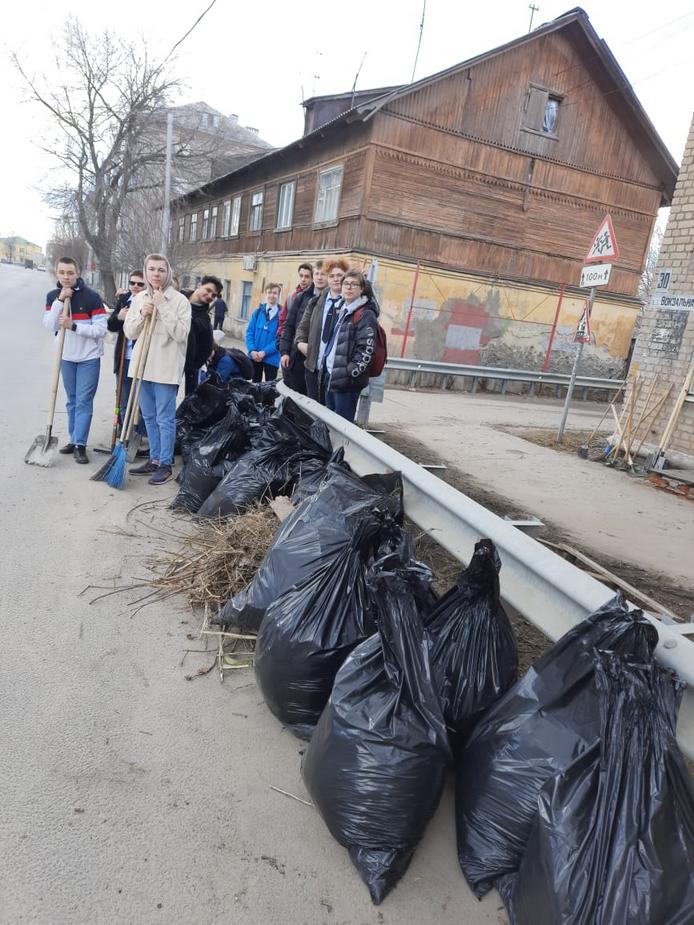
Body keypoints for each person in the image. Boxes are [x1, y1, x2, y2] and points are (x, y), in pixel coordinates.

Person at [124, 254, 191, 485]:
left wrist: (163, 306)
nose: (156, 274)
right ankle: (153, 458)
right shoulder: (140, 298)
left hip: (165, 368)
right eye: (151, 269)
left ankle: (165, 463)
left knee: (165, 418)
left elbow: (182, 334)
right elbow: (129, 332)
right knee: (149, 417)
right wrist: (143, 314)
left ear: (167, 272)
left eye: (161, 270)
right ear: (146, 271)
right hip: (142, 366)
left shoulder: (180, 301)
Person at [43, 256, 107, 464]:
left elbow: (100, 330)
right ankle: (73, 439)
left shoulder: (92, 298)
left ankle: (80, 444)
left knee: (83, 401)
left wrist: (74, 326)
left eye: (70, 273)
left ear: (78, 273)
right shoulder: (53, 296)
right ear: (56, 273)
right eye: (62, 272)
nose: (66, 277)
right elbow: (50, 325)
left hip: (89, 358)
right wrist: (59, 301)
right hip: (66, 357)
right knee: (72, 401)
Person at [321, 269, 378, 422]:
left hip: (347, 383)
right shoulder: (342, 309)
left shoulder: (366, 314)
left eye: (354, 284)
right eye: (346, 283)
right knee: (329, 425)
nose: (349, 287)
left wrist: (348, 374)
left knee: (342, 427)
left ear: (362, 289)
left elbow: (366, 351)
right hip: (332, 376)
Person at [296, 258, 349, 401]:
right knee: (313, 412)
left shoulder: (350, 304)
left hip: (335, 371)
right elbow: (302, 328)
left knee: (330, 414)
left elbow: (372, 306)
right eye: (331, 276)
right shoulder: (316, 301)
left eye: (340, 275)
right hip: (314, 367)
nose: (336, 279)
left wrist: (364, 283)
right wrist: (301, 343)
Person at [107, 270, 147, 433]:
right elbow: (111, 326)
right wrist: (119, 317)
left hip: (142, 358)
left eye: (140, 283)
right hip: (124, 357)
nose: (135, 286)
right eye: (132, 283)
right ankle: (124, 432)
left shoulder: (148, 302)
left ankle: (141, 434)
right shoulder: (123, 300)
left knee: (143, 400)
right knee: (123, 399)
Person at [279, 260, 326, 395]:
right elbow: (288, 325)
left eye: (323, 274)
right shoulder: (301, 297)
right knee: (292, 400)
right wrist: (284, 352)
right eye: (317, 273)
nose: (319, 277)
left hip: (317, 362)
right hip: (296, 358)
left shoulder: (333, 300)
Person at [184, 276, 220, 395]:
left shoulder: (204, 319)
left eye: (214, 295)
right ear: (199, 285)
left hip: (191, 366)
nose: (210, 296)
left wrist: (194, 366)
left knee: (190, 399)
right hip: (170, 360)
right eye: (208, 290)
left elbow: (206, 347)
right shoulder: (179, 299)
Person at [246, 283, 281, 382]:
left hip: (271, 359)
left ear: (278, 295)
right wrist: (252, 350)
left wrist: (265, 352)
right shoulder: (257, 313)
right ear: (266, 294)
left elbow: (280, 339)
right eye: (269, 292)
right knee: (255, 387)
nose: (271, 295)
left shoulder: (282, 316)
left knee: (269, 390)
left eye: (275, 293)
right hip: (255, 356)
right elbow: (249, 333)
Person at [277, 262, 312, 342]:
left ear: (312, 278)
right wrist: (280, 339)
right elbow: (282, 320)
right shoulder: (291, 297)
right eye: (301, 276)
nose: (303, 279)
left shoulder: (314, 298)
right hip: (288, 342)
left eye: (307, 276)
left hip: (304, 343)